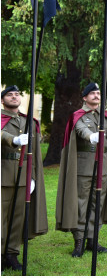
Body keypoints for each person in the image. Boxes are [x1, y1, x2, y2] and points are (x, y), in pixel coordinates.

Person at [55, 82, 107, 257]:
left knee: (97, 204)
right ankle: (79, 240)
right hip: (84, 167)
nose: (96, 95)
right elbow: (80, 130)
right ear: (84, 97)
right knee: (81, 203)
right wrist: (91, 136)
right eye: (92, 93)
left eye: (98, 93)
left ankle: (93, 239)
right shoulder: (78, 116)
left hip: (102, 166)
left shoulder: (106, 118)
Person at [1, 86, 48, 271]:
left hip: (22, 176)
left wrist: (33, 177)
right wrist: (13, 140)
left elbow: (34, 153)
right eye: (9, 94)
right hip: (3, 173)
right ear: (2, 100)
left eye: (17, 94)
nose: (14, 97)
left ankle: (11, 254)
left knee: (17, 218)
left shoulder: (28, 121)